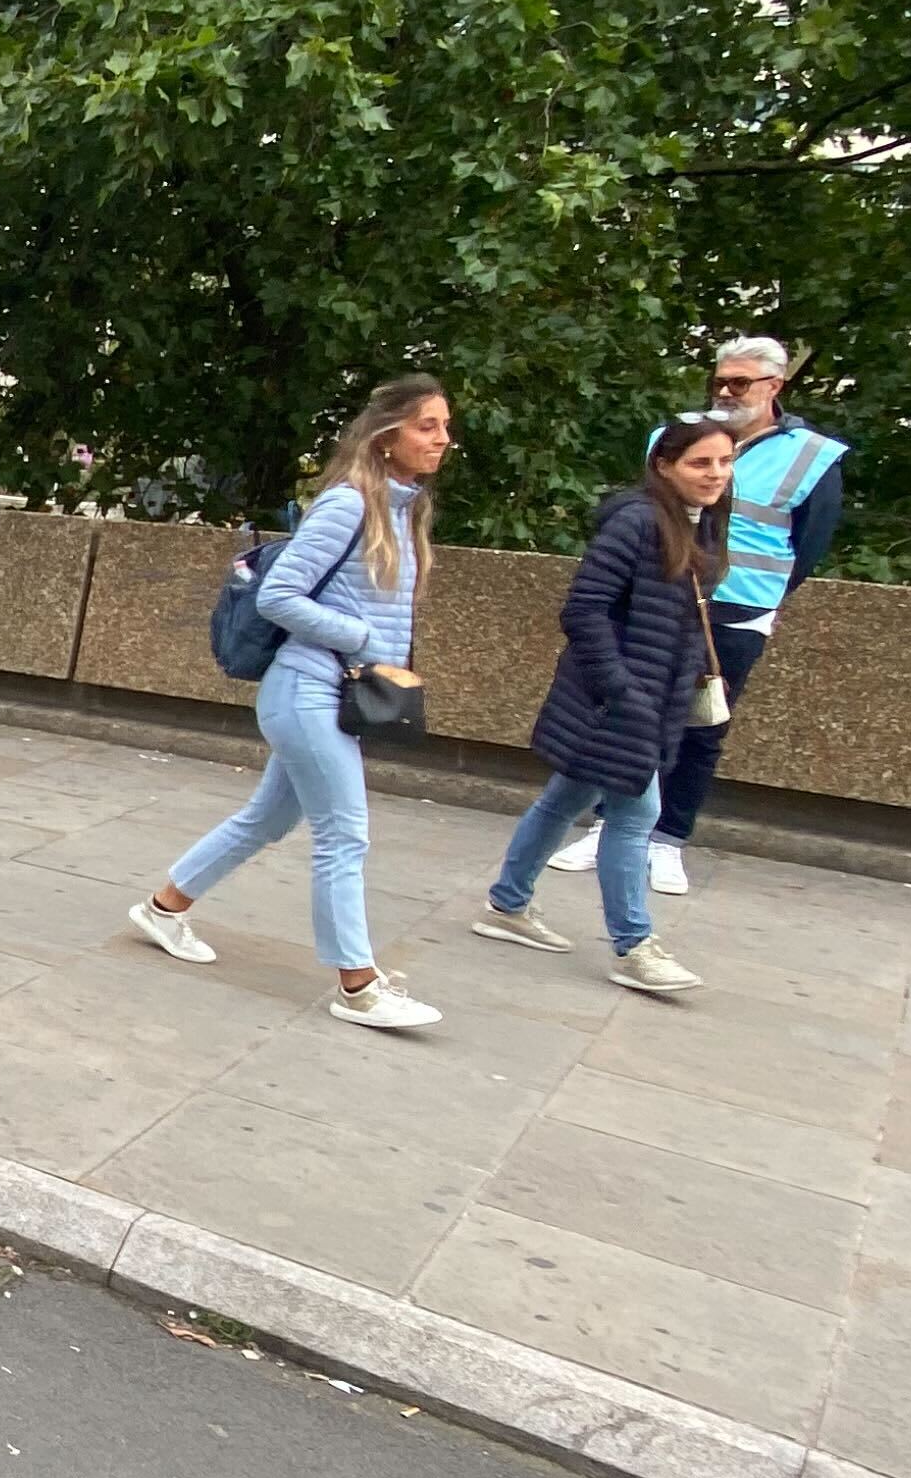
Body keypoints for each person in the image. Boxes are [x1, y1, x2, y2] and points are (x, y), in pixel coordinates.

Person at [125, 377, 452, 1030]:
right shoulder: (348, 505)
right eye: (428, 426)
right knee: (345, 834)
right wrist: (359, 638)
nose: (443, 439)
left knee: (266, 822)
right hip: (305, 690)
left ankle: (162, 909)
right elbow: (279, 597)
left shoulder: (398, 509)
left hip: (332, 695)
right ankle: (357, 987)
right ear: (387, 435)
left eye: (445, 426)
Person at [556, 334, 844, 897]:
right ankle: (610, 827)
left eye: (740, 383)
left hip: (740, 607)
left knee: (704, 723)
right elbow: (651, 507)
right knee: (633, 716)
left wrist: (762, 597)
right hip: (664, 594)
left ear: (774, 386)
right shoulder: (677, 433)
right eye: (719, 380)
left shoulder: (813, 454)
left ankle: (667, 840)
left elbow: (811, 543)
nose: (726, 392)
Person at [473, 419, 735, 996]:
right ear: (664, 466)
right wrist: (622, 689)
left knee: (567, 796)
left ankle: (506, 905)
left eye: (723, 461)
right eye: (700, 463)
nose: (715, 474)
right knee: (636, 816)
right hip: (618, 701)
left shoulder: (703, 525)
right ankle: (634, 946)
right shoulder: (638, 521)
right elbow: (584, 609)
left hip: (647, 698)